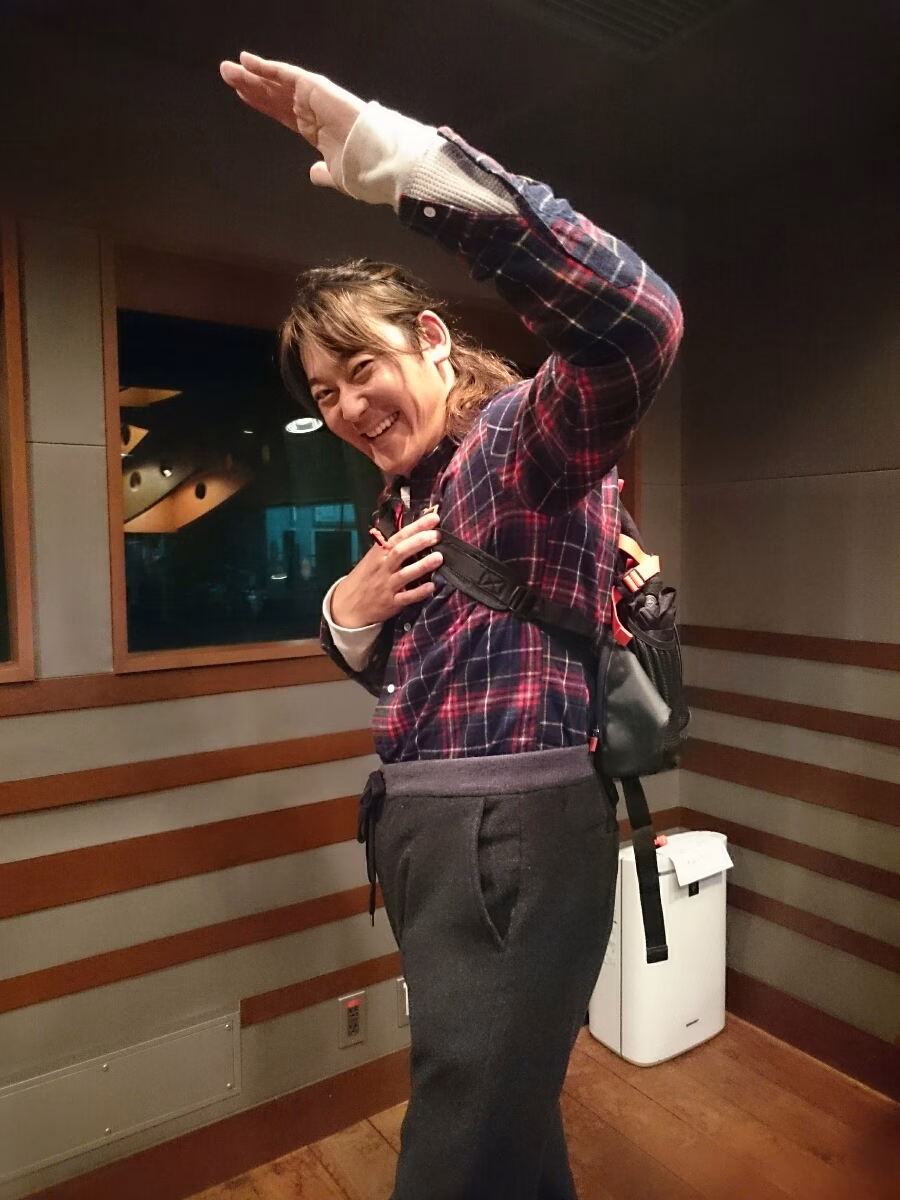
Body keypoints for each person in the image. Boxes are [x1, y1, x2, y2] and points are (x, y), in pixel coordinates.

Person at [220, 51, 683, 1200]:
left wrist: (400, 164)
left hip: (509, 834)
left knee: (458, 1144)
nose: (345, 406)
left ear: (431, 338)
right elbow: (419, 682)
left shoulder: (520, 445)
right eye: (323, 393)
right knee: (505, 1127)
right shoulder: (406, 502)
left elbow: (639, 323)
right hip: (434, 837)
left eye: (359, 367)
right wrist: (346, 616)